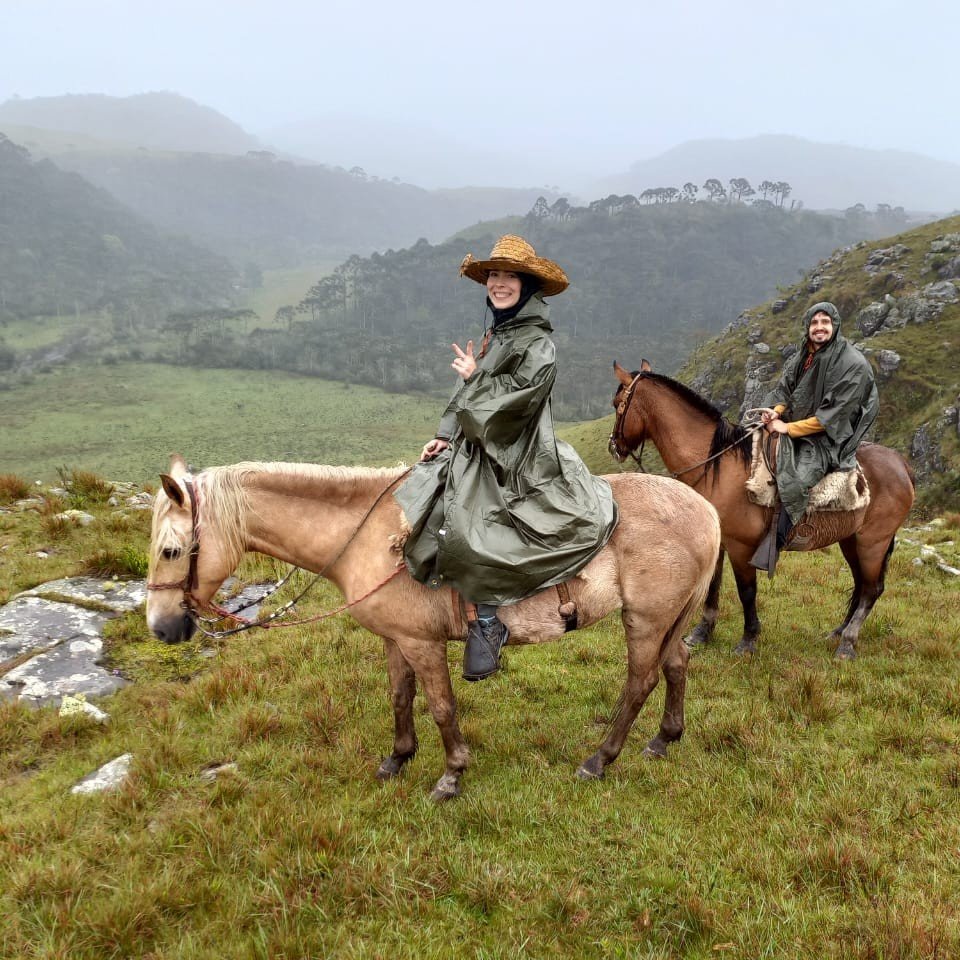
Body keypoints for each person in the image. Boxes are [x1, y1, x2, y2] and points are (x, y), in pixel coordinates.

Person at [395, 235, 618, 681]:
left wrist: (475, 377)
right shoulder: (498, 334)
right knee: (427, 491)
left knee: (475, 520)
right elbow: (465, 395)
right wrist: (444, 435)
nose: (498, 283)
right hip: (479, 437)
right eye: (493, 275)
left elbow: (518, 402)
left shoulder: (537, 342)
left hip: (517, 448)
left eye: (508, 276)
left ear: (526, 285)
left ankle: (487, 621)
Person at [751, 300, 879, 573]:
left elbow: (832, 416)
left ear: (835, 325)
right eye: (814, 322)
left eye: (825, 322)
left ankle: (775, 543)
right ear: (808, 327)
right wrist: (775, 412)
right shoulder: (804, 355)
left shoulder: (852, 364)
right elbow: (785, 388)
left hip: (830, 438)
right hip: (793, 421)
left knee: (798, 477)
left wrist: (787, 429)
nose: (819, 327)